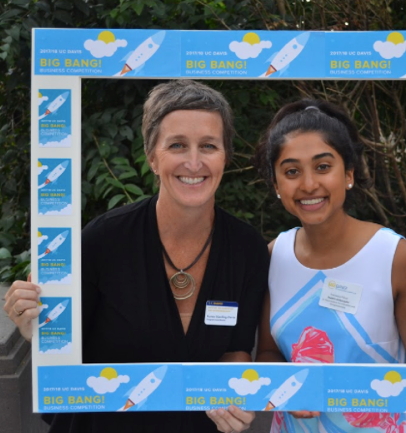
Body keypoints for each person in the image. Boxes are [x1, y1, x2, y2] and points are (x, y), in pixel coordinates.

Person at [3, 80, 269, 433]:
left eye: (208, 145)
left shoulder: (247, 247)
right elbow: (63, 349)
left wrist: (234, 391)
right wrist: (34, 325)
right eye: (177, 145)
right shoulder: (102, 240)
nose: (194, 161)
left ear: (225, 156)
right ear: (152, 157)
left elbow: (236, 351)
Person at [254, 99, 406, 433]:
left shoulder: (394, 255)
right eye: (291, 171)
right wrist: (290, 389)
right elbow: (270, 354)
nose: (308, 184)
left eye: (322, 167)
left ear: (348, 174)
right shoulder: (274, 256)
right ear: (276, 185)